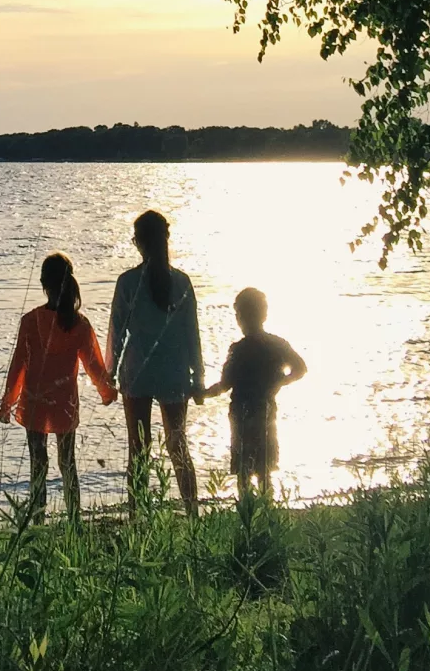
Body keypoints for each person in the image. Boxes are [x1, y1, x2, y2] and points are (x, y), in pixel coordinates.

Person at [0, 252, 116, 525]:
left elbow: (18, 365)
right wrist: (106, 391)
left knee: (37, 464)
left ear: (43, 284)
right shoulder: (79, 323)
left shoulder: (30, 321)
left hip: (34, 402)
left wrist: (8, 402)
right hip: (65, 404)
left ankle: (37, 521)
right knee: (68, 463)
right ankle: (74, 522)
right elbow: (94, 365)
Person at [107, 210, 205, 517]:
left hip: (137, 374)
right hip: (175, 372)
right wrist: (198, 376)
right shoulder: (182, 282)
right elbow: (192, 333)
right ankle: (192, 514)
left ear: (138, 243)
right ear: (165, 240)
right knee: (178, 446)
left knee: (138, 449)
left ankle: (138, 516)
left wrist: (108, 372)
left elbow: (117, 332)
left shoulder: (127, 282)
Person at [204, 287, 307, 502]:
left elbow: (224, 385)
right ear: (264, 314)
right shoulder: (278, 345)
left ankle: (246, 510)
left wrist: (202, 394)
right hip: (266, 409)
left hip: (241, 413)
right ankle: (267, 508)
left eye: (238, 314)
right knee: (264, 468)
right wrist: (280, 382)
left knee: (243, 470)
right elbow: (300, 368)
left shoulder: (238, 349)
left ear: (240, 317)